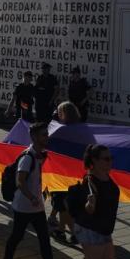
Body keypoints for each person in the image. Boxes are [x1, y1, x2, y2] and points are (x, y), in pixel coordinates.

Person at [1, 122, 64, 259]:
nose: (47, 137)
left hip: (36, 208)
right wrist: (32, 197)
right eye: (44, 135)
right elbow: (20, 181)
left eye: (46, 134)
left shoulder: (39, 155)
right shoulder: (27, 157)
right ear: (35, 137)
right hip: (24, 207)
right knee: (16, 237)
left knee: (45, 242)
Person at [66, 144, 120, 259]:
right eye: (106, 159)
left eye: (111, 158)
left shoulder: (106, 177)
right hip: (90, 229)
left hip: (104, 229)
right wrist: (91, 204)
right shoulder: (90, 182)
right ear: (94, 161)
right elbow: (89, 209)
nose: (110, 161)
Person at [48, 102, 81, 244]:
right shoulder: (80, 130)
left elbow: (49, 145)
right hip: (75, 174)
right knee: (64, 205)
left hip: (61, 174)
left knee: (63, 204)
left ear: (63, 114)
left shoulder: (60, 131)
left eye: (59, 112)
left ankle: (75, 234)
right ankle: (61, 230)